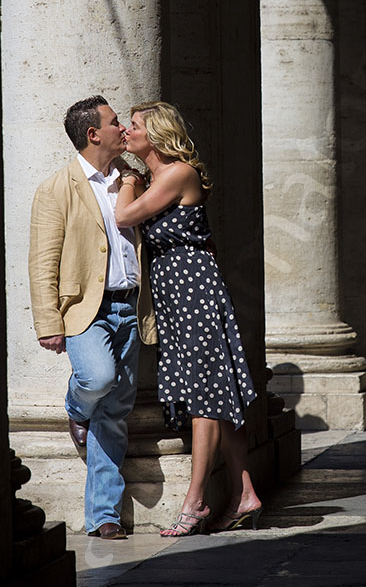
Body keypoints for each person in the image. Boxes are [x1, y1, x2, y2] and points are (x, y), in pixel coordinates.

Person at [115, 101, 261, 536]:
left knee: (204, 396)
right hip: (176, 291)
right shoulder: (158, 177)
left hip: (192, 287)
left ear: (157, 134)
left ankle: (194, 503)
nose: (127, 131)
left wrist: (127, 180)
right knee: (219, 392)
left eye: (135, 125)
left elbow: (125, 217)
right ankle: (245, 492)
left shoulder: (177, 172)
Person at [28, 96, 157, 540]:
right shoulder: (56, 188)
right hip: (84, 309)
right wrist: (48, 322)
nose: (123, 128)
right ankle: (73, 406)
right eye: (115, 122)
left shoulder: (130, 180)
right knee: (96, 379)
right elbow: (42, 260)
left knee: (116, 412)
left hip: (130, 305)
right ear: (93, 134)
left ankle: (104, 515)